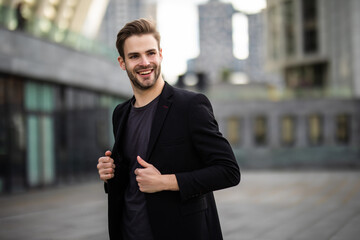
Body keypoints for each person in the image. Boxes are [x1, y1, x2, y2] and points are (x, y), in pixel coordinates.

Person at [97, 18, 240, 240]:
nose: (145, 62)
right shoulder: (121, 112)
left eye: (150, 53)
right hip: (128, 232)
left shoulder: (190, 106)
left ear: (161, 54)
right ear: (122, 62)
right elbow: (131, 177)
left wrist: (165, 181)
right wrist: (111, 173)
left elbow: (228, 171)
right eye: (134, 56)